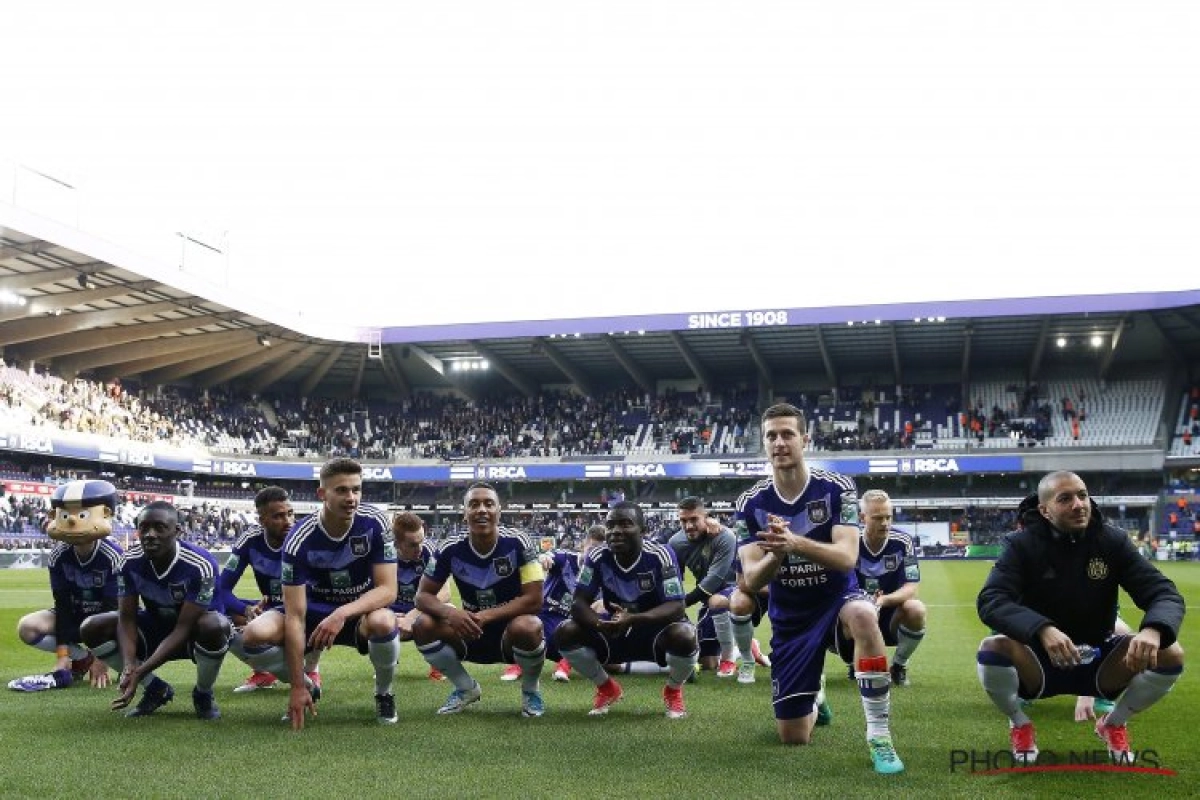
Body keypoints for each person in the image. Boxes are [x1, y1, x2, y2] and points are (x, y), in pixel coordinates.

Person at [737, 403, 904, 775]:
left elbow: (847, 558)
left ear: (805, 440)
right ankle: (816, 695)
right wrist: (777, 557)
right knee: (793, 736)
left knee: (863, 615)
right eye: (771, 436)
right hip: (791, 616)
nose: (779, 442)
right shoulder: (750, 504)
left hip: (837, 600)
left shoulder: (837, 489)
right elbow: (751, 580)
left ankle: (880, 735)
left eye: (787, 434)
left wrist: (794, 543)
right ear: (764, 444)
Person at [976, 470, 1186, 765]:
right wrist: (1042, 629)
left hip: (1099, 661)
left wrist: (1153, 629)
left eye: (1083, 495)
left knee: (1171, 653)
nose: (1079, 504)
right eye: (1066, 499)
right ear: (1045, 510)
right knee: (992, 647)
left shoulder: (1111, 541)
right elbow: (991, 599)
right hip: (1039, 661)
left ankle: (1113, 723)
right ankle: (1020, 722)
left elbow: (1162, 591)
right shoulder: (1021, 545)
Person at [240, 458, 400, 729]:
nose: (351, 497)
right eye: (341, 490)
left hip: (357, 612)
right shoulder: (298, 538)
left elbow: (388, 590)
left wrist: (342, 613)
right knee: (253, 635)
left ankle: (384, 693)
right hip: (312, 613)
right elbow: (294, 616)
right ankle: (307, 683)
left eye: (356, 489)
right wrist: (296, 685)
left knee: (384, 622)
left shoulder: (375, 522)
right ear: (322, 494)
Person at [80, 501, 230, 720]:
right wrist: (130, 664)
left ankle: (203, 693)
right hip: (156, 627)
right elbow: (127, 618)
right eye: (144, 528)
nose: (150, 534)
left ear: (177, 531)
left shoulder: (201, 564)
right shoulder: (127, 562)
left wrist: (141, 670)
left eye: (159, 527)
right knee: (92, 627)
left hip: (194, 634)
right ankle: (155, 689)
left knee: (214, 625)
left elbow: (184, 626)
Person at [413, 483, 548, 718]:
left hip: (511, 633)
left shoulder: (519, 542)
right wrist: (450, 613)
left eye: (488, 504)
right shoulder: (449, 548)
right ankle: (465, 688)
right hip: (470, 631)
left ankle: (530, 691)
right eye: (473, 505)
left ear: (499, 511)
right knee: (422, 625)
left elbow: (534, 600)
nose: (481, 510)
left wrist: (487, 615)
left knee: (529, 625)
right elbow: (422, 596)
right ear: (464, 513)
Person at [554, 501, 699, 719]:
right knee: (565, 632)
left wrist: (633, 619)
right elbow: (578, 603)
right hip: (616, 629)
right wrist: (599, 624)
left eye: (625, 524)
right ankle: (606, 687)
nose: (615, 532)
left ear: (643, 530)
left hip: (656, 631)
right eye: (611, 525)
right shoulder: (596, 556)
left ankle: (673, 690)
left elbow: (677, 606)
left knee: (685, 636)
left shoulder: (660, 554)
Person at [8, 480, 120, 692]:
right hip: (76, 616)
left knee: (130, 625)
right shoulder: (58, 556)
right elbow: (63, 606)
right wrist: (62, 656)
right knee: (27, 627)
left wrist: (101, 659)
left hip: (108, 621)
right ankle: (81, 658)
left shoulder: (113, 557)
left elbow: (113, 610)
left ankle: (128, 664)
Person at [219, 486, 323, 693]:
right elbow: (221, 588)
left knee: (314, 610)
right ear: (262, 520)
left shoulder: (306, 537)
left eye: (290, 514)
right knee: (219, 616)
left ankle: (311, 670)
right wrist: (245, 609)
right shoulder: (250, 540)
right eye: (278, 516)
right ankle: (263, 672)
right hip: (271, 609)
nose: (288, 521)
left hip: (304, 607)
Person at [839, 489, 926, 687]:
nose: (885, 523)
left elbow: (911, 587)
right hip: (856, 613)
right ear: (862, 518)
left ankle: (899, 665)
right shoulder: (850, 541)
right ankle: (855, 659)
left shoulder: (903, 542)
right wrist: (863, 601)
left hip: (890, 614)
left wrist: (883, 600)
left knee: (916, 609)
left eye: (888, 517)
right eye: (878, 518)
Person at [501, 525, 604, 684]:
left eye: (599, 551)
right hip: (545, 617)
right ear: (584, 545)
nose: (593, 554)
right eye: (591, 548)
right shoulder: (565, 557)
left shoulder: (601, 573)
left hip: (571, 627)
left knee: (593, 620)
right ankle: (518, 666)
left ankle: (564, 666)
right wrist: (544, 559)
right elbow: (548, 556)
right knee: (524, 620)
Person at [668, 496, 741, 675]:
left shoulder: (724, 536)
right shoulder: (675, 542)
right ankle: (744, 646)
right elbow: (675, 580)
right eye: (683, 520)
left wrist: (681, 605)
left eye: (694, 519)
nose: (688, 526)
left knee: (716, 599)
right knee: (707, 663)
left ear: (705, 517)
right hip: (707, 599)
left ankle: (730, 657)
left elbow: (714, 580)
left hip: (733, 592)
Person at [389, 511, 451, 681]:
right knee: (375, 619)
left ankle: (438, 666)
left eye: (421, 540)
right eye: (412, 544)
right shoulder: (385, 554)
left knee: (449, 612)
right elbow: (374, 592)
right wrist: (389, 616)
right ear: (397, 543)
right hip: (394, 610)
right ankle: (387, 663)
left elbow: (445, 594)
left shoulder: (430, 552)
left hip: (422, 608)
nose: (420, 548)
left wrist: (413, 615)